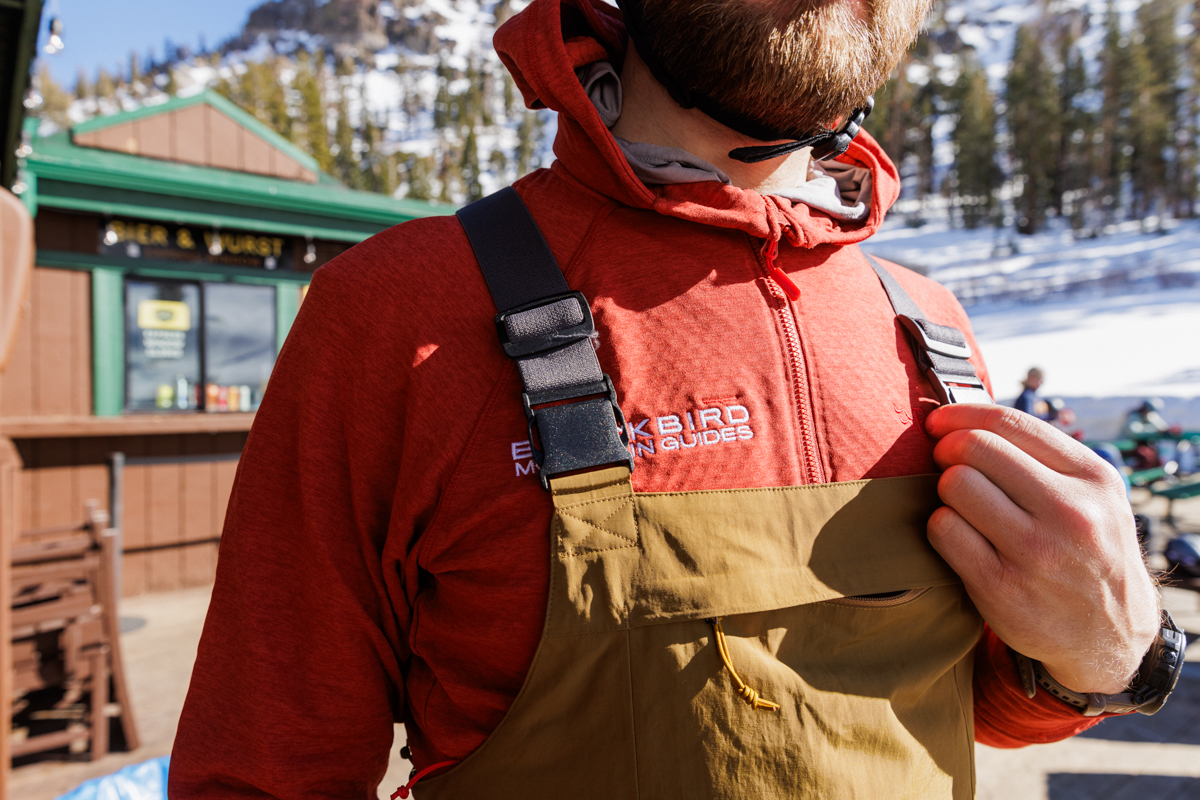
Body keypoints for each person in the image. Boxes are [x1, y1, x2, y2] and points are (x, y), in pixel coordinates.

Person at [170, 1, 1176, 798]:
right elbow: (261, 773)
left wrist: (1112, 656)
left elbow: (973, 705)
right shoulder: (402, 312)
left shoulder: (927, 321)